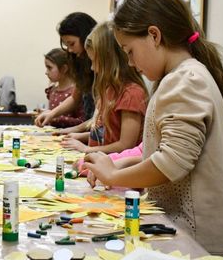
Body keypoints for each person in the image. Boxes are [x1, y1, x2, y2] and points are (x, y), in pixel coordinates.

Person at [83, 0, 223, 260]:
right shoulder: (178, 77)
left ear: (154, 35)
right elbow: (160, 152)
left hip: (205, 246)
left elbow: (171, 163)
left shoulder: (185, 80)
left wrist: (112, 172)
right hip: (195, 240)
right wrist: (117, 166)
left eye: (130, 51)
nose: (131, 62)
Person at [61, 22, 147, 154]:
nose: (92, 68)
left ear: (110, 59)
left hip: (116, 170)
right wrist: (80, 136)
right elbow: (104, 133)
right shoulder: (109, 90)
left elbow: (126, 145)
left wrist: (87, 149)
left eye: (95, 61)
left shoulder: (131, 93)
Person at [35, 12, 97, 129]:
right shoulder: (81, 63)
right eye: (66, 45)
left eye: (72, 44)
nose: (70, 50)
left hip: (94, 133)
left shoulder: (100, 66)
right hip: (89, 132)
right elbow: (75, 98)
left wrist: (75, 130)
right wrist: (52, 113)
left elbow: (100, 118)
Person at [42, 48, 84, 128]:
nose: (46, 72)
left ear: (64, 69)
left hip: (71, 137)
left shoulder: (76, 91)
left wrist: (55, 118)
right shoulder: (52, 90)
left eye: (49, 68)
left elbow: (81, 121)